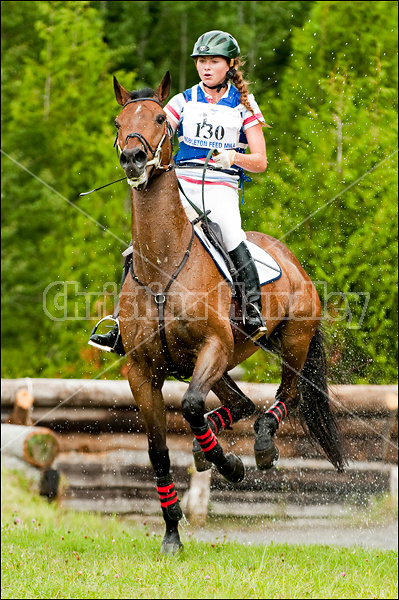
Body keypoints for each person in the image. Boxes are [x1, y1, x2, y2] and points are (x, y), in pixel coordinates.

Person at [89, 30, 268, 355]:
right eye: (201, 62)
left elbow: (261, 161)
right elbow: (155, 130)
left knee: (230, 233)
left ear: (229, 65)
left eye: (213, 61)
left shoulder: (243, 105)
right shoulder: (182, 101)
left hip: (220, 184)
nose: (206, 68)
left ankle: (253, 310)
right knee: (140, 242)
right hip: (181, 183)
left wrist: (234, 156)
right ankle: (120, 322)